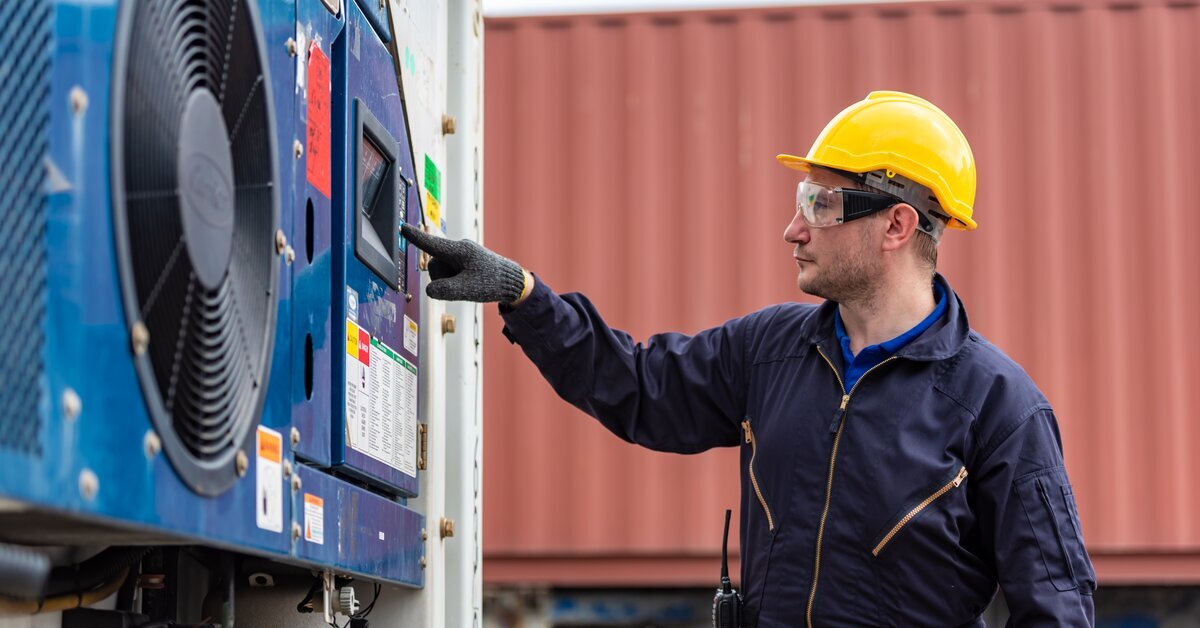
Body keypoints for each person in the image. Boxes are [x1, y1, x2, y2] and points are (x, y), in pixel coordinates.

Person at [401, 91, 1096, 626]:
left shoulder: (1001, 410)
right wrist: (524, 296)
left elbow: (1058, 609)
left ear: (897, 224)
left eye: (819, 203)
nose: (793, 228)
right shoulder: (767, 352)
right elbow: (639, 387)